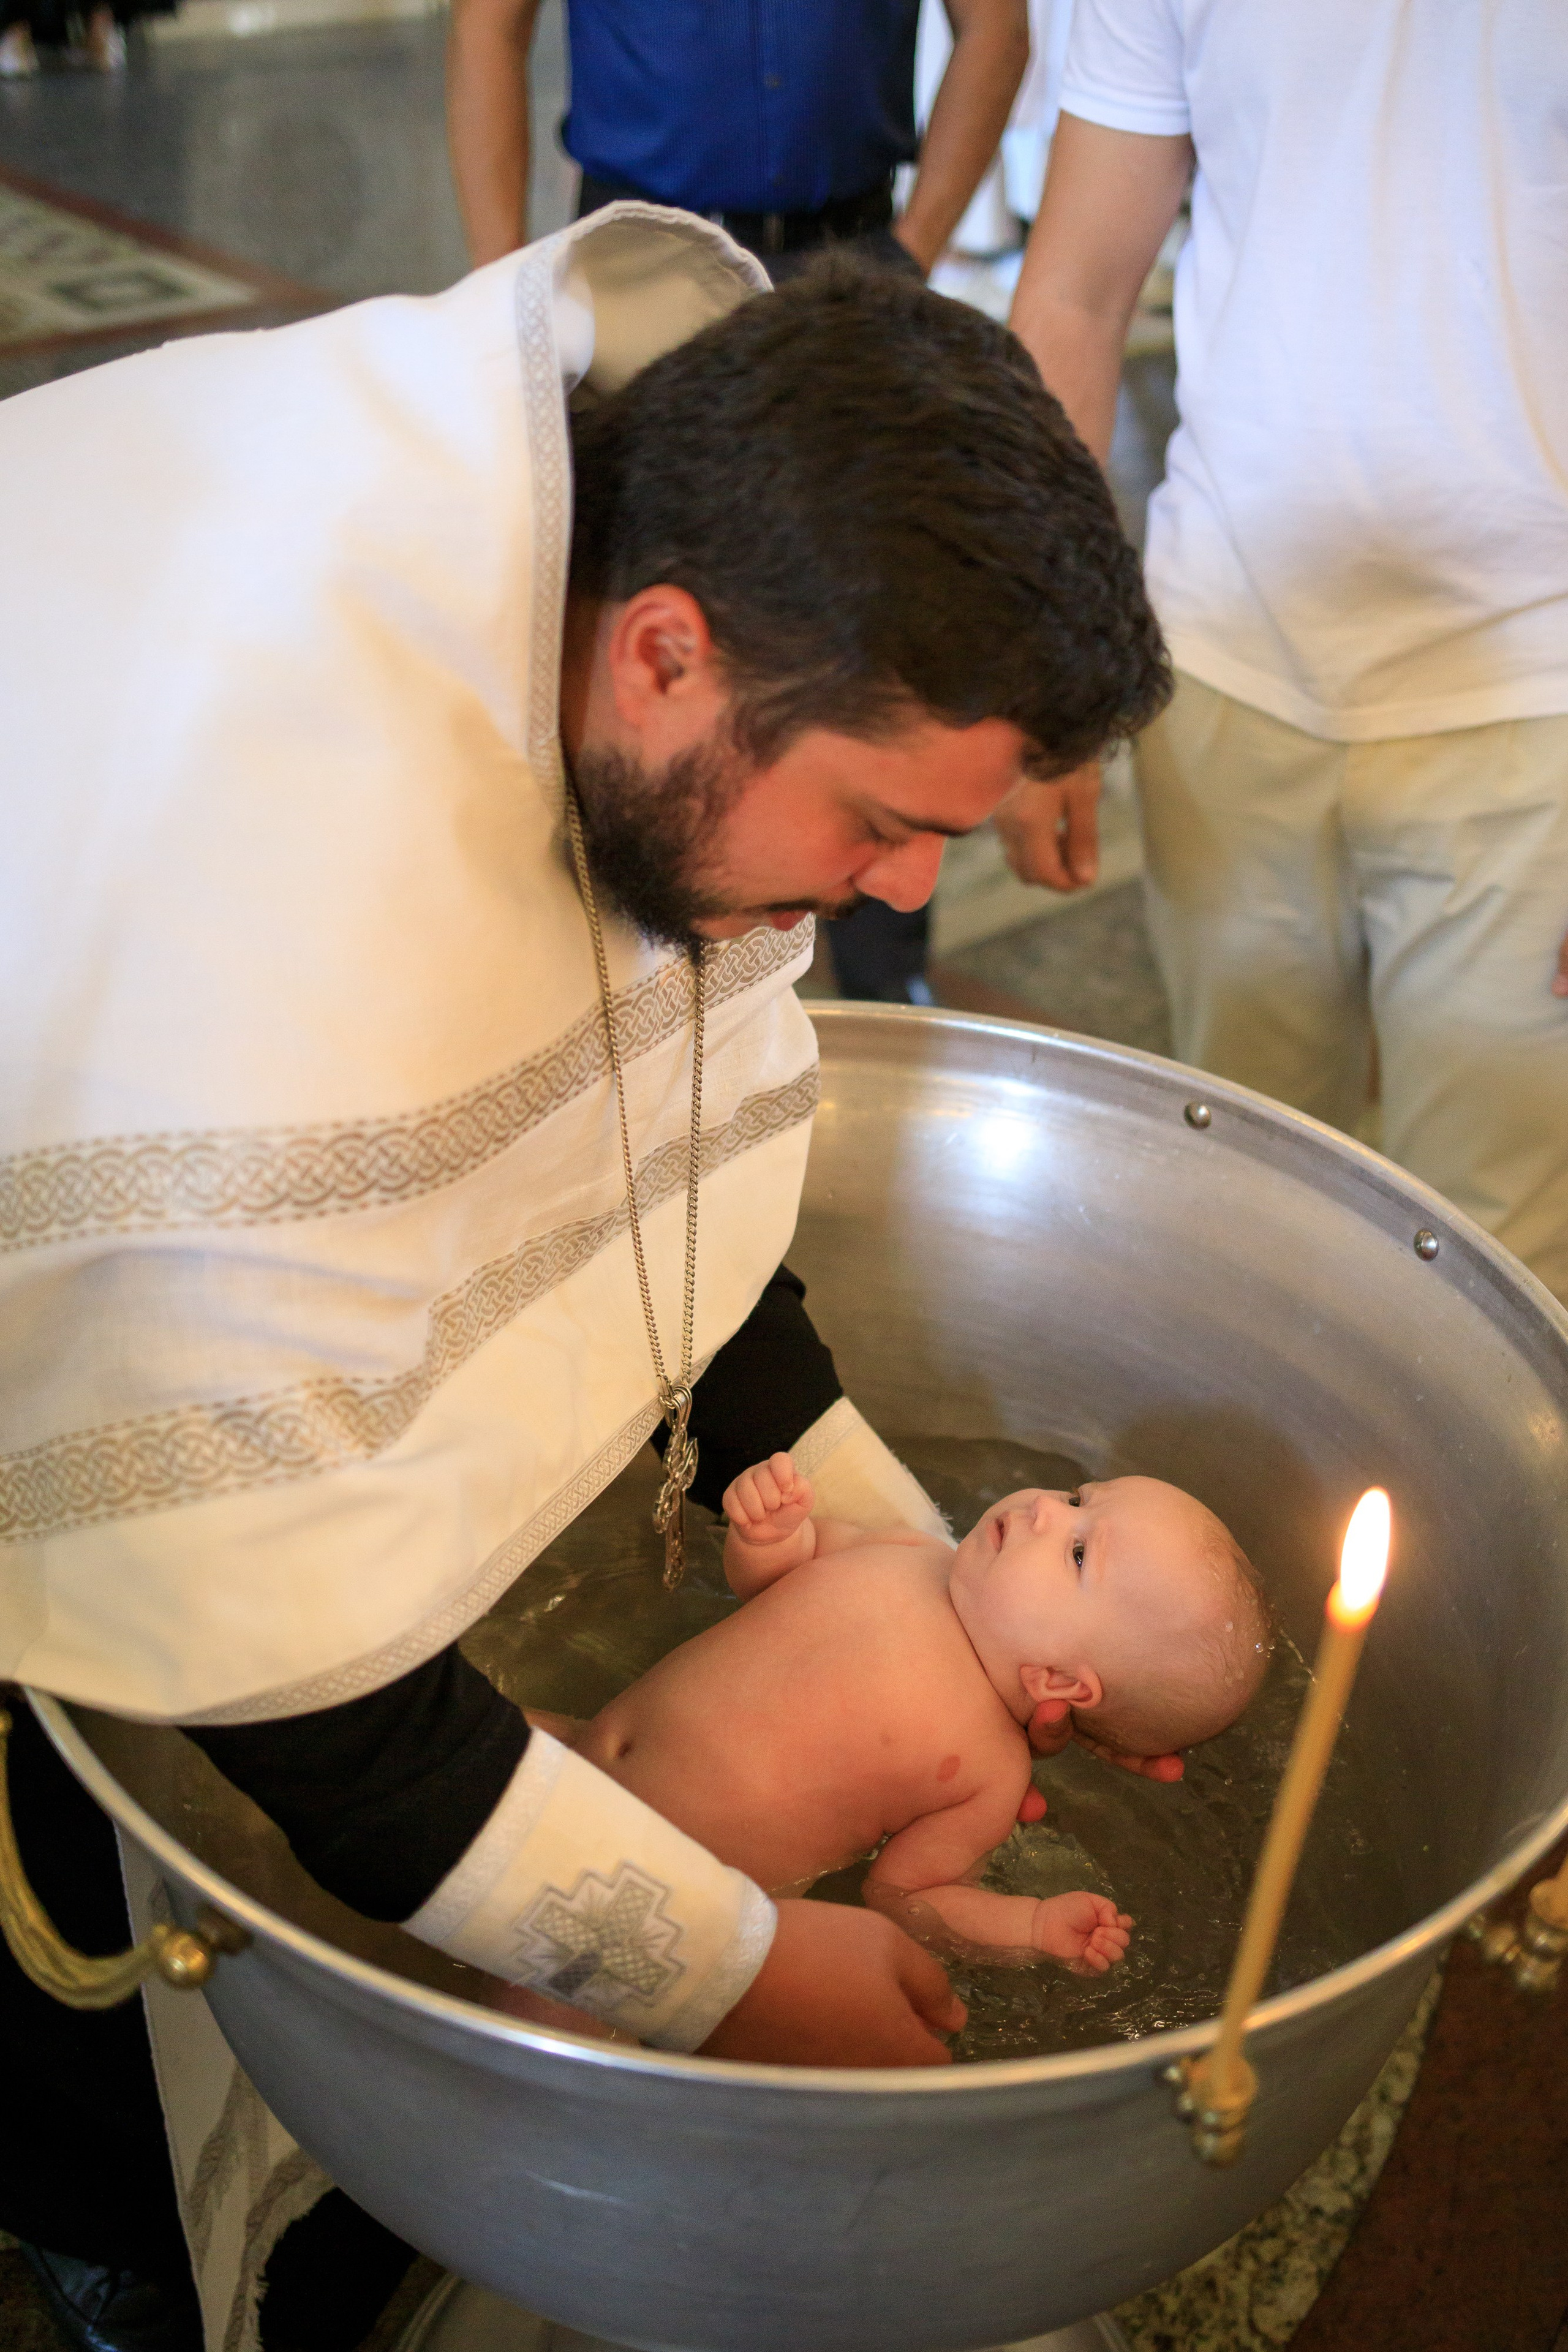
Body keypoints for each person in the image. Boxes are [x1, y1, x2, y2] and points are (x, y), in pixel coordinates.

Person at [0, 217, 1167, 2349]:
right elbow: (296, 1687)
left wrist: (963, 1624)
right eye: (893, 823)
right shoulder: (278, 960)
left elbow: (660, 1128)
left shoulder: (622, 540)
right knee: (59, 1913)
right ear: (661, 658)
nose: (906, 895)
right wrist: (727, 1965)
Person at [1001, 0, 1568, 1301]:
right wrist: (1039, 682)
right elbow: (1074, 298)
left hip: (1530, 701)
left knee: (1492, 1287)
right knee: (1235, 1237)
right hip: (1226, 666)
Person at [446, 0, 1033, 1006]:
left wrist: (916, 242)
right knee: (642, 631)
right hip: (639, 264)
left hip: (843, 255)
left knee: (879, 619)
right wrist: (504, 287)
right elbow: (487, 30)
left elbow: (996, 25)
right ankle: (631, 979)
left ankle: (889, 975)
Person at [533, 1454, 1265, 2004]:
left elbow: (910, 1896)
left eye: (1078, 1551)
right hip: (577, 1750)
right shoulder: (915, 1555)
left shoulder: (988, 1772)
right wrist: (770, 1535)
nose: (1046, 1508)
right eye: (1079, 1497)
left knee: (549, 2007)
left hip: (656, 1900)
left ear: (1062, 1684)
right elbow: (767, 1585)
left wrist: (1033, 1927)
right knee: (438, 1744)